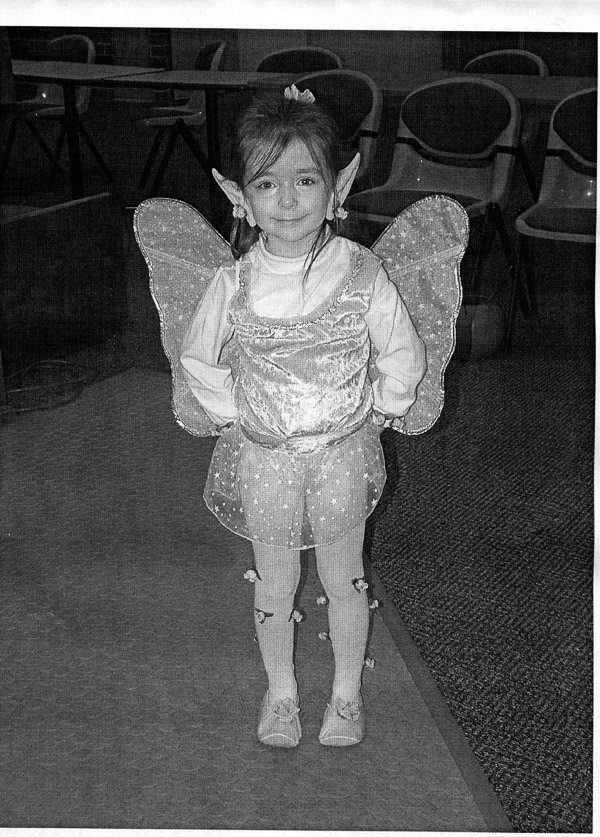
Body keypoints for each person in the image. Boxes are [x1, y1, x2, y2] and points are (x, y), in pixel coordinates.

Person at [180, 84, 427, 748]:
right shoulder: (232, 282)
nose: (287, 200)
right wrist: (235, 413)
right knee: (276, 578)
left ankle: (345, 694)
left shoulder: (362, 271)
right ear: (239, 196)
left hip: (342, 451)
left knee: (344, 575)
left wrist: (386, 407)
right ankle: (282, 693)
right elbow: (197, 357)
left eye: (305, 180)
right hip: (265, 457)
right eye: (266, 184)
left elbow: (400, 348)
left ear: (337, 187)